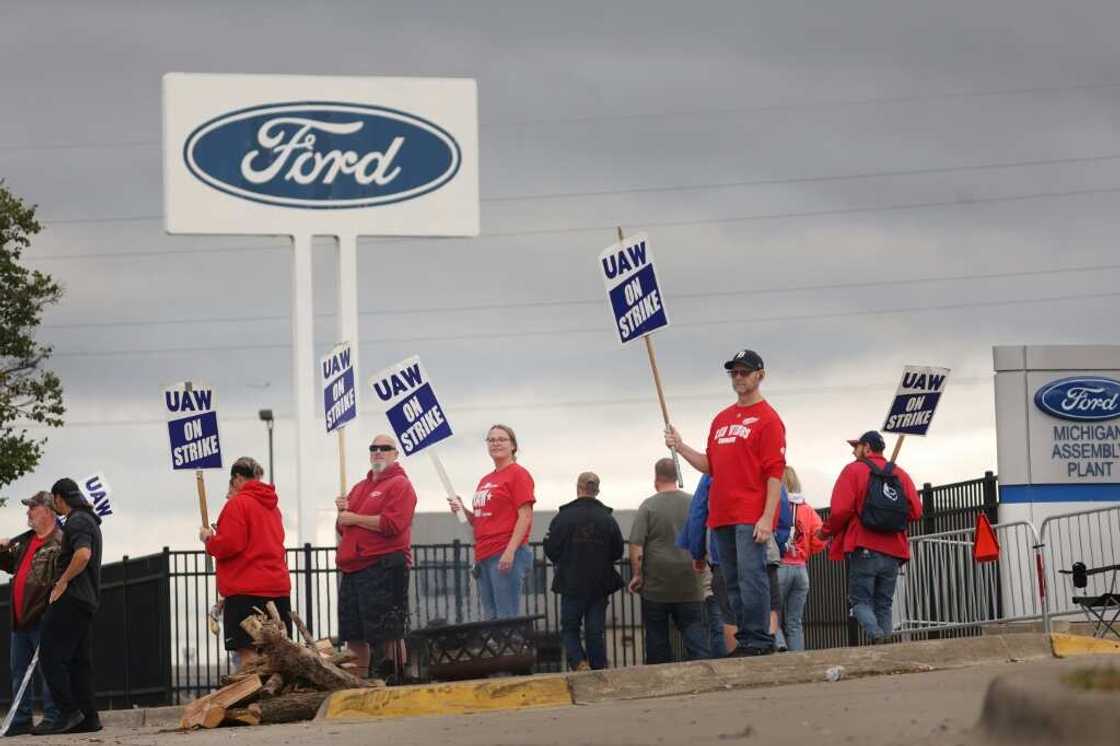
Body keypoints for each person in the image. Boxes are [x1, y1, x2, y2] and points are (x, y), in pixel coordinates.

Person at [666, 348, 786, 656]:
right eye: (734, 372)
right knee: (731, 581)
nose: (738, 377)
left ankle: (760, 639)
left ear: (760, 375)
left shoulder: (769, 420)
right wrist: (680, 447)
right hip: (721, 514)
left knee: (752, 577)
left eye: (744, 371)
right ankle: (747, 637)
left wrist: (767, 517)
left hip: (750, 513)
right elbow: (710, 465)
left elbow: (775, 471)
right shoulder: (721, 419)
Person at [819, 431, 923, 643]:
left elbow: (841, 511)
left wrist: (825, 531)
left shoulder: (854, 470)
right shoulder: (900, 474)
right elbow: (916, 512)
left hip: (864, 546)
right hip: (894, 550)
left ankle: (876, 636)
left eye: (856, 447)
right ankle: (886, 650)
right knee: (883, 604)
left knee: (859, 602)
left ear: (866, 448)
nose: (853, 451)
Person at [335, 434, 417, 680]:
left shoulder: (400, 484)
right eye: (374, 448)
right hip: (354, 568)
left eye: (385, 448)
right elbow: (343, 528)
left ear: (395, 453)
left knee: (388, 631)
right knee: (354, 633)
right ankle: (358, 682)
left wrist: (355, 518)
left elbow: (393, 524)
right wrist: (341, 513)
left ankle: (395, 677)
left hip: (383, 565)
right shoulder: (360, 487)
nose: (378, 452)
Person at [200, 457, 291, 670]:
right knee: (274, 653)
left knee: (248, 653)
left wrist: (209, 540)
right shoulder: (273, 508)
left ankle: (256, 699)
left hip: (246, 591)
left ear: (238, 478)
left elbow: (229, 544)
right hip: (277, 588)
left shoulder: (238, 504)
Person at [35, 478, 103, 735]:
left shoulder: (77, 521)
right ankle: (88, 718)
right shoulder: (89, 520)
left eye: (54, 501)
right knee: (78, 661)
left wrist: (62, 582)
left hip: (72, 598)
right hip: (86, 600)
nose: (55, 507)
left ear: (60, 498)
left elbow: (83, 554)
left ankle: (68, 712)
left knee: (50, 657)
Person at [629, 458, 709, 663]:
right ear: (677, 476)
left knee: (657, 636)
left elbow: (636, 545)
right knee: (694, 631)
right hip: (691, 580)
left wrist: (638, 575)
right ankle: (702, 670)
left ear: (656, 478)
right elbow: (705, 534)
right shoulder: (694, 502)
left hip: (657, 583)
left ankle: (661, 676)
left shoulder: (648, 506)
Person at [452, 424, 535, 620]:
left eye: (501, 439)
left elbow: (525, 516)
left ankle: (512, 650)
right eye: (491, 440)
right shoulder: (485, 479)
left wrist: (510, 551)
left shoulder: (518, 474)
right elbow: (481, 520)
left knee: (506, 618)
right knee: (491, 617)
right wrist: (462, 510)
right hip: (484, 554)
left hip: (505, 553)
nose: (496, 443)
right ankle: (499, 650)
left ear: (513, 446)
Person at [543, 471, 625, 671]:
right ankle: (598, 666)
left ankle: (579, 662)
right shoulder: (607, 519)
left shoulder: (563, 517)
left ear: (578, 488)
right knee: (594, 629)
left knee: (570, 627)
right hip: (599, 583)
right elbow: (617, 551)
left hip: (571, 582)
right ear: (596, 491)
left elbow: (552, 550)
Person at [0, 492, 62, 735]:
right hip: (20, 617)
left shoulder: (58, 542)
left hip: (41, 616)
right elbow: (11, 565)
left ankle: (53, 716)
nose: (28, 512)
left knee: (48, 669)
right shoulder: (27, 541)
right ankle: (21, 718)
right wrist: (2, 551)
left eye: (32, 508)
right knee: (19, 671)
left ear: (47, 511)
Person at [676, 474, 735, 657]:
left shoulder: (711, 474)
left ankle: (726, 663)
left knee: (720, 616)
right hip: (756, 552)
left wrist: (697, 552)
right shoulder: (755, 464)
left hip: (719, 555)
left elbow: (698, 516)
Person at [776, 466, 825, 651]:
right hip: (801, 570)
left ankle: (780, 647)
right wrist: (806, 551)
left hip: (779, 567)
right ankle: (798, 658)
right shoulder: (808, 510)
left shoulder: (773, 505)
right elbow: (820, 539)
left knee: (772, 614)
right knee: (795, 621)